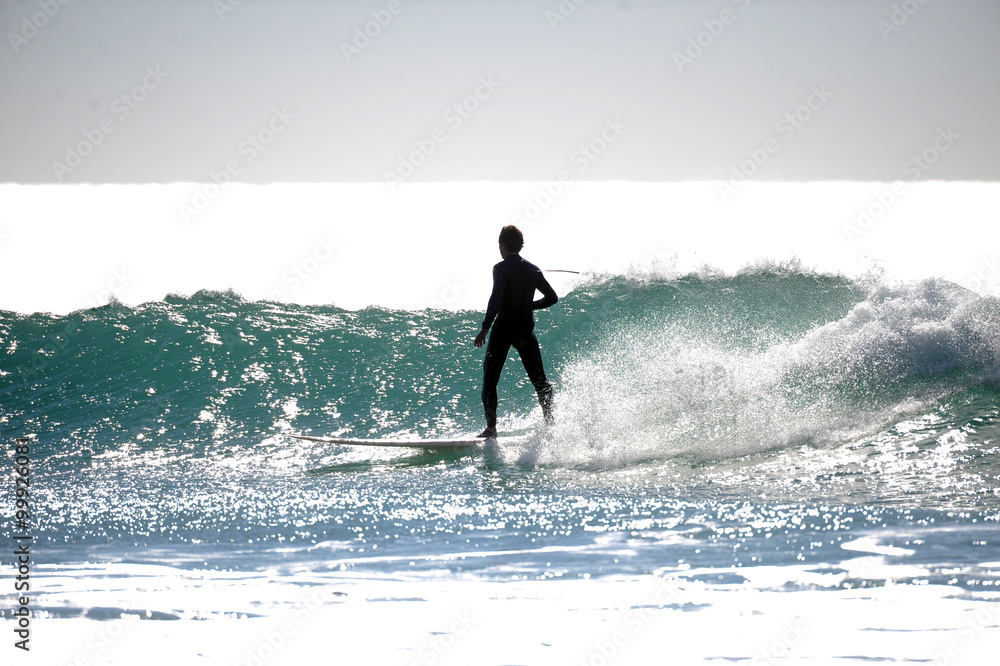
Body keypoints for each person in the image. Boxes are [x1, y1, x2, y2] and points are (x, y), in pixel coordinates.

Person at [474, 225, 558, 438]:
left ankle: (491, 429)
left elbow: (497, 298)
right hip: (525, 329)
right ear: (520, 245)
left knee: (490, 379)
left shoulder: (500, 268)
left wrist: (485, 327)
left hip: (504, 328)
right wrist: (530, 305)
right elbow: (552, 298)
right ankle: (551, 423)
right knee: (540, 380)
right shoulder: (533, 270)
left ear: (503, 245)